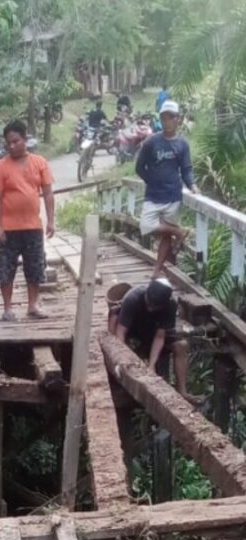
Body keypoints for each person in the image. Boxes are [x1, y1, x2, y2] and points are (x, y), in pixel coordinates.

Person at [0, 119, 55, 321]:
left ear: (25, 139)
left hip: (33, 226)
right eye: (8, 143)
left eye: (15, 141)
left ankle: (33, 305)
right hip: (8, 228)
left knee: (35, 266)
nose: (11, 146)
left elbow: (48, 193)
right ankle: (7, 308)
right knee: (5, 267)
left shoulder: (39, 162)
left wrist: (51, 221)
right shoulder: (0, 167)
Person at [136, 100, 199, 275]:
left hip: (173, 195)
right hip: (153, 195)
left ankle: (157, 270)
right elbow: (139, 167)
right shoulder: (151, 142)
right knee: (146, 225)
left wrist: (192, 185)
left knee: (165, 235)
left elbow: (186, 169)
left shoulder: (182, 144)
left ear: (177, 119)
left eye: (171, 117)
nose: (167, 121)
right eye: (164, 118)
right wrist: (152, 180)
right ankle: (179, 231)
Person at [109, 279, 198, 403]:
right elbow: (121, 332)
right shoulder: (132, 298)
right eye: (149, 304)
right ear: (146, 295)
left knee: (182, 346)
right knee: (125, 351)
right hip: (133, 330)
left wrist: (151, 365)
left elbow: (160, 337)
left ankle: (182, 391)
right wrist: (123, 357)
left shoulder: (170, 305)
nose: (150, 309)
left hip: (153, 330)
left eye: (155, 307)